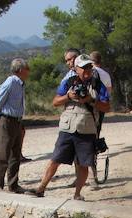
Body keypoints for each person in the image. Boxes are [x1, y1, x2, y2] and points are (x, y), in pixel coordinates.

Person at [30, 55, 110, 201]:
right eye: (84, 67)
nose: (87, 70)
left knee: (83, 164)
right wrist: (68, 96)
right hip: (67, 128)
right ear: (76, 69)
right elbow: (55, 102)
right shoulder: (68, 83)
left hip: (87, 129)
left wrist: (91, 100)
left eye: (89, 67)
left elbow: (107, 106)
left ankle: (77, 194)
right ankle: (41, 188)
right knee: (55, 159)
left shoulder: (98, 85)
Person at [0, 59, 30, 193]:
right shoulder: (11, 82)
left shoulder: (20, 83)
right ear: (20, 70)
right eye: (26, 68)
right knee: (3, 153)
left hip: (17, 121)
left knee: (15, 154)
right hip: (6, 120)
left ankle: (13, 185)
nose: (28, 71)